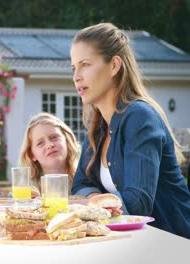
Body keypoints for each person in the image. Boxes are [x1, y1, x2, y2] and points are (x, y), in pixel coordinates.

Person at [70, 22, 190, 238]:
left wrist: (89, 204)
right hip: (131, 243)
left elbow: (137, 203)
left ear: (114, 66)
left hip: (173, 243)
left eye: (85, 64)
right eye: (73, 68)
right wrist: (97, 201)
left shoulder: (139, 117)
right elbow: (80, 184)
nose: (76, 76)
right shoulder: (97, 127)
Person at [18, 112, 80, 196]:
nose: (49, 145)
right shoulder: (26, 189)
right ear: (32, 155)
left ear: (67, 141)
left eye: (54, 137)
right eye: (40, 143)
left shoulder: (84, 181)